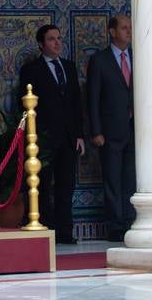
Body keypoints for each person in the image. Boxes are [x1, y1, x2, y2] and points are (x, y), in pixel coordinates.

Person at [19, 24, 85, 242]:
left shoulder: (69, 66)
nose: (57, 43)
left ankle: (65, 231)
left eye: (58, 38)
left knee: (66, 186)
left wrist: (79, 135)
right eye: (51, 39)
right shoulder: (32, 70)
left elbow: (76, 103)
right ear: (41, 44)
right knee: (44, 186)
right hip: (44, 138)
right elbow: (27, 107)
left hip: (68, 137)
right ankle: (47, 230)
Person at [86, 14, 135, 241]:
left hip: (135, 131)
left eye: (130, 27)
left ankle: (130, 220)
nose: (129, 31)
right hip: (110, 131)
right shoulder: (100, 60)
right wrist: (96, 131)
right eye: (124, 28)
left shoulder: (139, 57)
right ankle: (116, 225)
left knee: (131, 179)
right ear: (113, 32)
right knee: (113, 180)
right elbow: (92, 98)